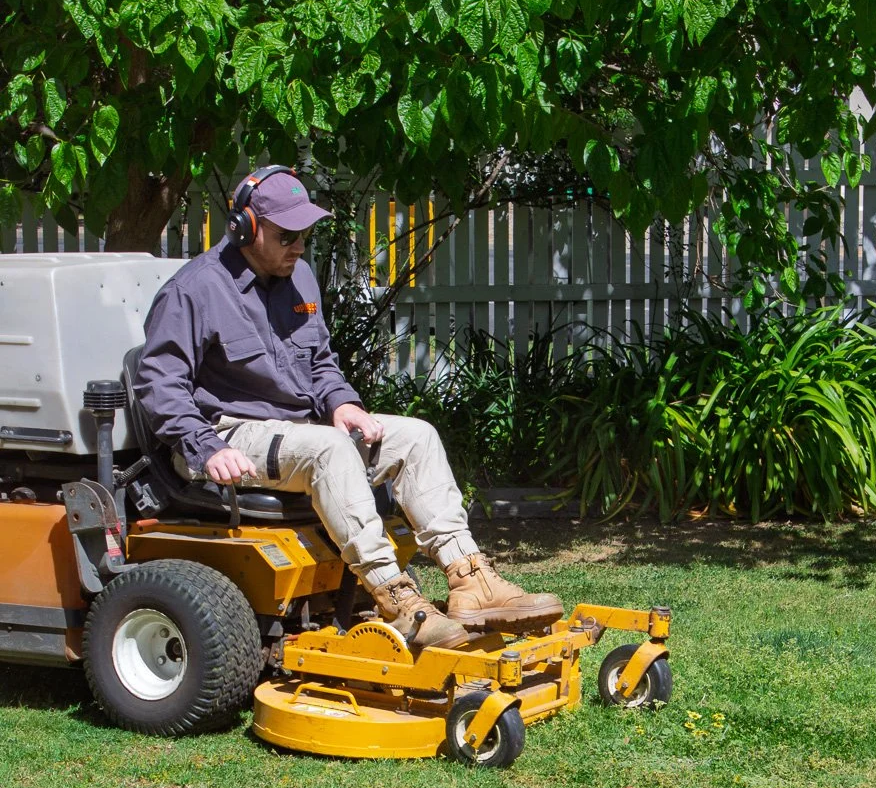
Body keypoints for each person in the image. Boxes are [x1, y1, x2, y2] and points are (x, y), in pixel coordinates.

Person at [134, 165, 563, 649]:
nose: (299, 245)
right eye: (287, 235)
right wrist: (204, 446)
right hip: (225, 433)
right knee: (329, 449)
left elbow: (319, 363)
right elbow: (160, 384)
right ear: (246, 228)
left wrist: (342, 403)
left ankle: (470, 580)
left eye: (305, 234)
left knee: (417, 435)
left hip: (298, 432)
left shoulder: (299, 280)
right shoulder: (195, 290)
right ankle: (396, 598)